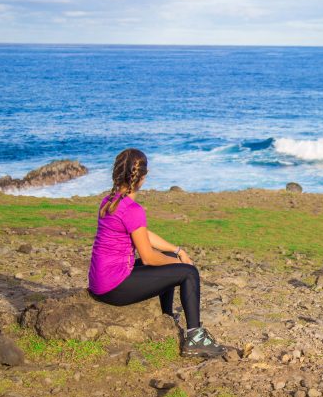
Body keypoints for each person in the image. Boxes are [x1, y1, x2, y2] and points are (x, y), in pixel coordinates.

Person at [87, 148, 223, 357]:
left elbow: (143, 234)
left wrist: (176, 251)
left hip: (101, 282)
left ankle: (166, 317)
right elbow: (149, 258)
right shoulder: (132, 209)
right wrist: (182, 265)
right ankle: (195, 338)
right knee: (188, 272)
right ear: (142, 177)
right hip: (114, 287)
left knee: (170, 260)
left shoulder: (109, 201)